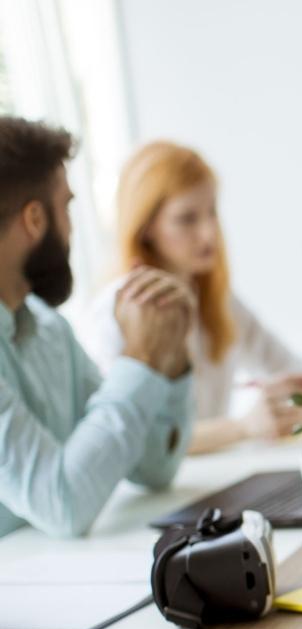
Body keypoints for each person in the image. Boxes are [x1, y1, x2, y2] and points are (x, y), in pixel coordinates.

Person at [0, 118, 194, 539]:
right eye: (66, 206)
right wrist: (140, 358)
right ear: (35, 219)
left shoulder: (51, 330)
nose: (72, 227)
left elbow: (153, 467)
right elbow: (63, 505)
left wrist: (168, 358)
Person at [84, 141, 302, 454]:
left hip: (216, 479)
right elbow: (135, 445)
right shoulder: (117, 309)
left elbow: (299, 373)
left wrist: (290, 397)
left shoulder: (215, 297)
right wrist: (242, 427)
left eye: (212, 212)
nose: (209, 233)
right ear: (146, 227)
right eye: (187, 218)